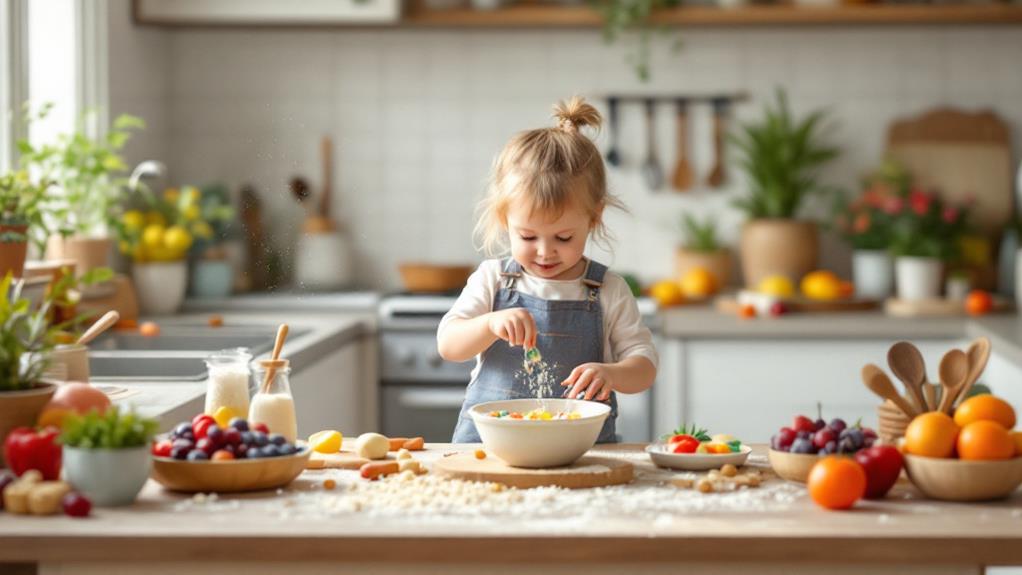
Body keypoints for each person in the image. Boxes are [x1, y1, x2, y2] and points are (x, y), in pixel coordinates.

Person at [437, 96, 658, 444]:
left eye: (564, 237)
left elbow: (644, 367)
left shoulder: (608, 290)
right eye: (527, 236)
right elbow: (449, 345)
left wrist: (612, 374)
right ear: (503, 220)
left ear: (594, 217)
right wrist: (489, 323)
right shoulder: (493, 279)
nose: (545, 252)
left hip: (582, 454)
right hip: (488, 451)